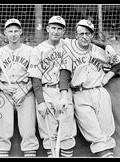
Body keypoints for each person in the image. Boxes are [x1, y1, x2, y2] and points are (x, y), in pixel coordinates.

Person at [64, 19, 120, 157]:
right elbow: (55, 40)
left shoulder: (100, 51)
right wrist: (105, 44)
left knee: (107, 131)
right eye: (81, 33)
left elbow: (119, 63)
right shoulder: (67, 45)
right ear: (76, 35)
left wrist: (107, 77)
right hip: (79, 93)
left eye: (88, 33)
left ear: (92, 35)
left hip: (99, 92)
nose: (84, 36)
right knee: (94, 133)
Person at [28, 16, 77, 157]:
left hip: (62, 91)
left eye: (59, 28)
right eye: (53, 28)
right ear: (47, 28)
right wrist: (41, 102)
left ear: (64, 31)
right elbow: (35, 78)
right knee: (48, 135)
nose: (56, 31)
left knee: (67, 134)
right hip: (45, 91)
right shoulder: (38, 50)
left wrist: (63, 96)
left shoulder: (68, 46)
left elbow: (64, 74)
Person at [0, 18, 39, 157]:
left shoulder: (31, 51)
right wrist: (3, 88)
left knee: (29, 131)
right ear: (5, 33)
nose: (13, 34)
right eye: (10, 31)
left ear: (21, 32)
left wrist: (24, 91)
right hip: (5, 91)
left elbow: (35, 76)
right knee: (1, 131)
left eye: (16, 31)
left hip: (25, 90)